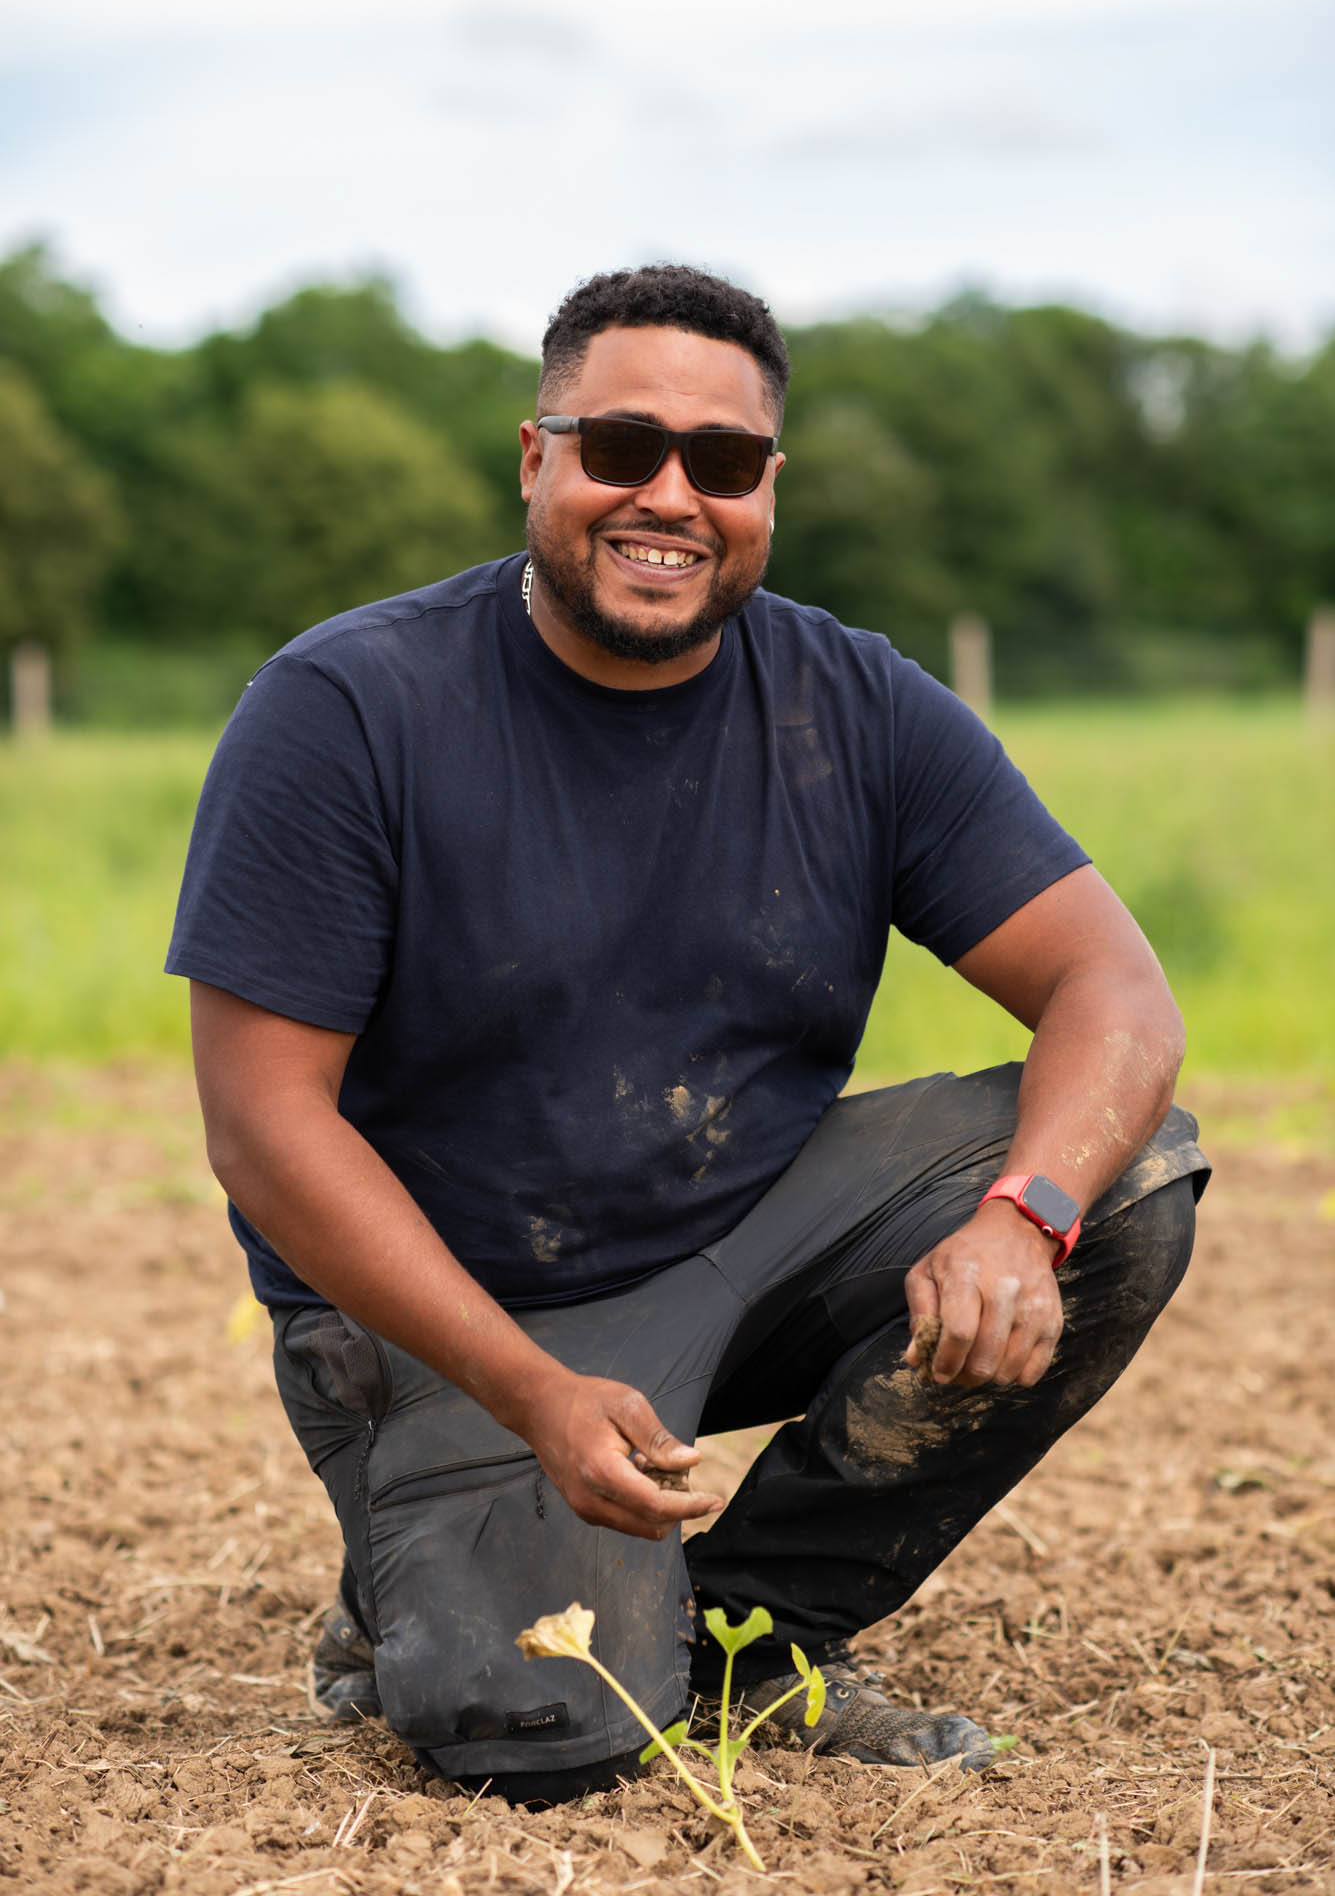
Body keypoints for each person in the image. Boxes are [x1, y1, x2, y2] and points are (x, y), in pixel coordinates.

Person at [167, 263, 1209, 1805]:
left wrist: (1022, 1217)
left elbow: (1115, 994)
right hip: (447, 1315)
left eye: (720, 463)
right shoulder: (347, 708)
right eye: (620, 448)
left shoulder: (856, 705)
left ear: (767, 489)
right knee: (541, 1736)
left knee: (1123, 1184)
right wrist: (530, 1392)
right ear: (538, 457)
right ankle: (414, 1566)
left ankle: (761, 1629)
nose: (669, 495)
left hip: (736, 1245)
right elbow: (263, 1127)